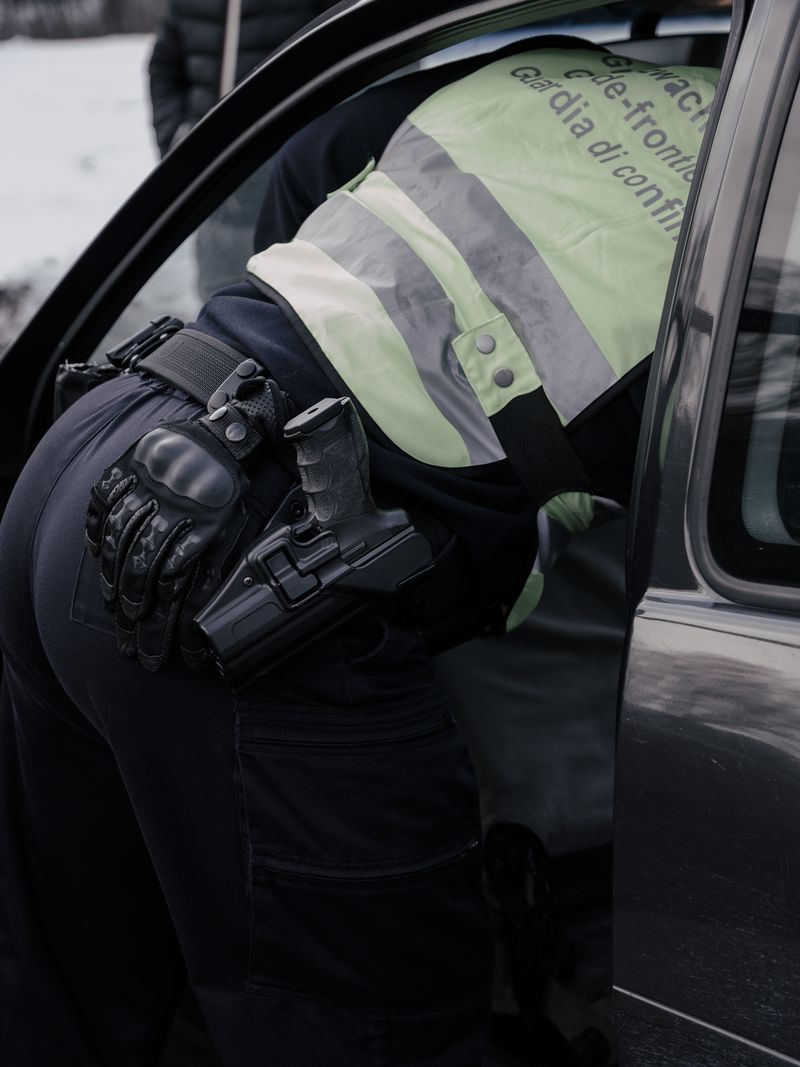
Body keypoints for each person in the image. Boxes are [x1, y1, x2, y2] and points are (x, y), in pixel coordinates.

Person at [0, 34, 719, 1067]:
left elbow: (307, 157)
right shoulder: (767, 206)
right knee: (376, 1028)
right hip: (265, 585)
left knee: (66, 993)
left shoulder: (560, 67)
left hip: (108, 446)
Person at [148, 0, 335, 298]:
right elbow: (165, 67)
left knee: (295, 305)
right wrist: (176, 141)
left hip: (293, 190)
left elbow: (361, 50)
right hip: (213, 190)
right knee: (220, 304)